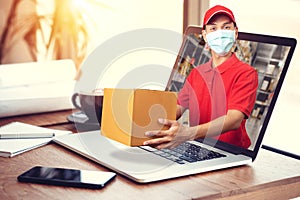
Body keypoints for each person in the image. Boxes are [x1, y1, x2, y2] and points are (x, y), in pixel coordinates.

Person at [143, 5, 258, 149]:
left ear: (235, 33)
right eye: (213, 28)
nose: (220, 33)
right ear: (205, 36)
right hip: (198, 145)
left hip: (230, 151)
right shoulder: (197, 74)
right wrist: (147, 122)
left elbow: (234, 119)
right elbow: (178, 108)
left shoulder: (246, 73)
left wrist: (189, 133)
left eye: (226, 27)